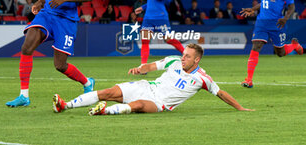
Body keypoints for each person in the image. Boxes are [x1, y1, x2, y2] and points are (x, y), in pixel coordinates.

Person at [5, 0, 95, 107]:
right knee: (26, 46)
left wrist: (64, 0)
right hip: (47, 14)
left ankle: (87, 83)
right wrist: (40, 1)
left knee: (60, 65)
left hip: (66, 20)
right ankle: (24, 96)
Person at [52, 44, 254, 115]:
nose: (183, 58)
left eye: (188, 56)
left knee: (138, 105)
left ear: (197, 59)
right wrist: (141, 69)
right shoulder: (174, 60)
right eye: (183, 54)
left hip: (160, 102)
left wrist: (240, 108)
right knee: (108, 92)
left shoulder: (203, 78)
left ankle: (104, 111)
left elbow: (220, 93)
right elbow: (152, 66)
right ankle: (65, 105)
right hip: (146, 86)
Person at [240, 0, 303, 88]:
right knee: (256, 46)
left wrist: (285, 18)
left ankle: (294, 46)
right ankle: (249, 80)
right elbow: (264, 2)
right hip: (262, 22)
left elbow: (292, 6)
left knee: (280, 52)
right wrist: (253, 9)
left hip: (277, 24)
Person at [135, 0, 185, 64]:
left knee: (168, 39)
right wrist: (143, 7)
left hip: (160, 17)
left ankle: (187, 54)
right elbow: (151, 1)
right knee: (145, 41)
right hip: (148, 17)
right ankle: (143, 65)